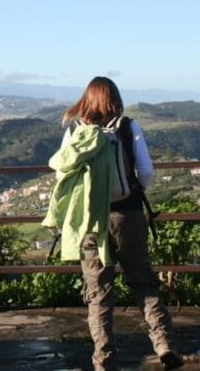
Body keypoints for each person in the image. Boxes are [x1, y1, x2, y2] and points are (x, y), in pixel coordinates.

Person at [60, 77, 183, 371]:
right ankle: (164, 345)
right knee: (143, 282)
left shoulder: (75, 130)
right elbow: (146, 171)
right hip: (128, 215)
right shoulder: (128, 127)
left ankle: (104, 359)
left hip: (91, 221)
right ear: (115, 98)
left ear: (87, 99)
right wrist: (132, 190)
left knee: (98, 293)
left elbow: (61, 173)